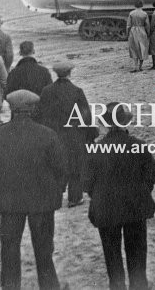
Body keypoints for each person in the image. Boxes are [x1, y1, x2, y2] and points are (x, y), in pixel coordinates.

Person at [0, 90, 67, 290]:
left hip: (9, 202)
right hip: (42, 201)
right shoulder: (47, 134)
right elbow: (61, 168)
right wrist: (55, 190)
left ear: (11, 109)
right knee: (44, 249)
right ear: (32, 109)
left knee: (10, 249)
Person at [84, 102, 155, 290]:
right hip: (135, 207)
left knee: (111, 253)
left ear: (107, 124)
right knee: (137, 250)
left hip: (106, 208)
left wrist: (100, 195)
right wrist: (140, 193)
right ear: (125, 122)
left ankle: (117, 286)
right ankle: (139, 284)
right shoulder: (138, 146)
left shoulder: (96, 151)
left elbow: (87, 183)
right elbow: (151, 177)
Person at [39, 62, 98, 208]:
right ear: (69, 73)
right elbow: (85, 116)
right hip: (73, 135)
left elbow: (40, 113)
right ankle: (75, 198)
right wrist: (90, 134)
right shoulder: (77, 91)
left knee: (54, 166)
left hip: (52, 134)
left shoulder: (46, 91)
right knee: (74, 168)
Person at [127, 0, 150, 72]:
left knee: (134, 48)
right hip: (142, 30)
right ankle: (140, 66)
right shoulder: (144, 14)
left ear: (135, 5)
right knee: (142, 48)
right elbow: (147, 25)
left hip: (133, 31)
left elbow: (128, 25)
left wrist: (128, 33)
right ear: (142, 5)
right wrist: (148, 33)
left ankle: (135, 66)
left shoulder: (131, 13)